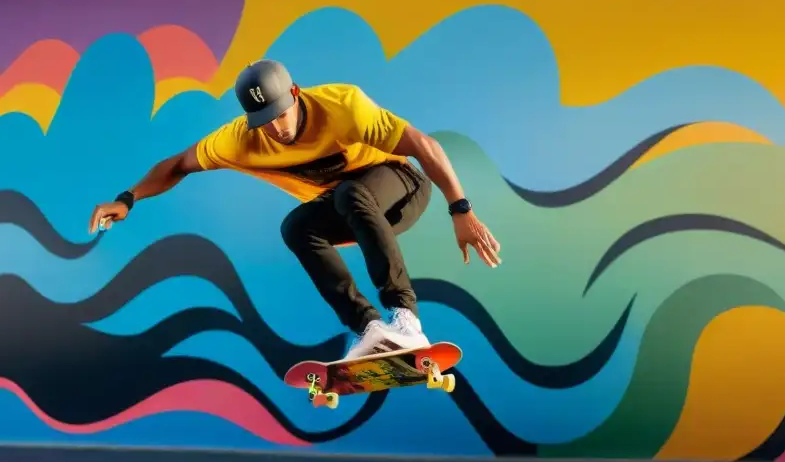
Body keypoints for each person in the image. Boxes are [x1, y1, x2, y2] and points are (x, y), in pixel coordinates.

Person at [88, 59, 501, 360]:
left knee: (348, 193)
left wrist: (460, 209)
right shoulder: (239, 140)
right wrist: (128, 199)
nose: (276, 129)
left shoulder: (345, 107)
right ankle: (371, 329)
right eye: (263, 121)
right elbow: (176, 165)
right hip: (355, 211)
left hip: (405, 188)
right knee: (297, 225)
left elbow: (423, 145)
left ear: (296, 94)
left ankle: (406, 320)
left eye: (281, 115)